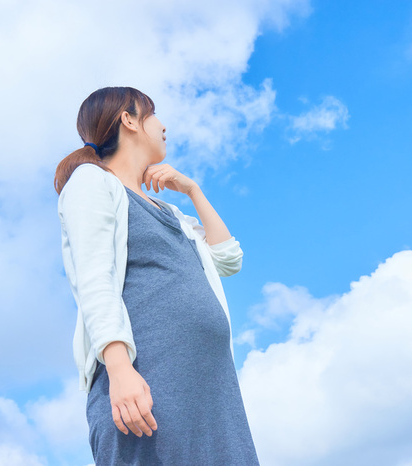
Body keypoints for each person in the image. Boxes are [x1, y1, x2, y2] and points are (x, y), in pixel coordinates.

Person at [53, 86, 260, 465]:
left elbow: (229, 260)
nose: (163, 126)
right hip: (148, 387)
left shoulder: (171, 211)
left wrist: (192, 190)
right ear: (129, 120)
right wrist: (119, 370)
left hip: (214, 394)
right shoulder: (91, 183)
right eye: (153, 115)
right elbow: (94, 278)